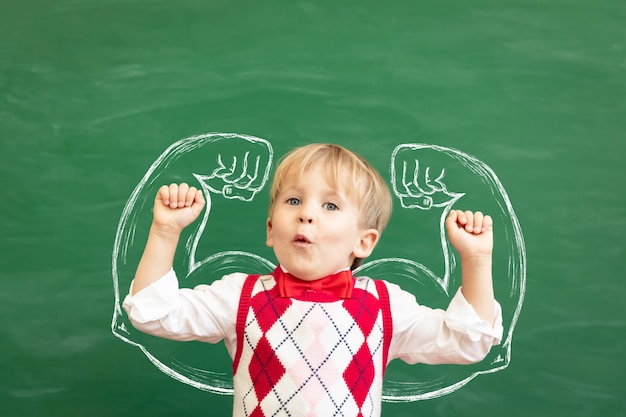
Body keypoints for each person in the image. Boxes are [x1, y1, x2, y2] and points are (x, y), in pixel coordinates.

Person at [123, 143, 503, 417]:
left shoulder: (385, 306)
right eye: (293, 201)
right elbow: (152, 313)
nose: (307, 215)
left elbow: (468, 342)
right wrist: (165, 232)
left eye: (330, 205)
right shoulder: (240, 296)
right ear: (271, 230)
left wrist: (476, 259)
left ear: (364, 241)